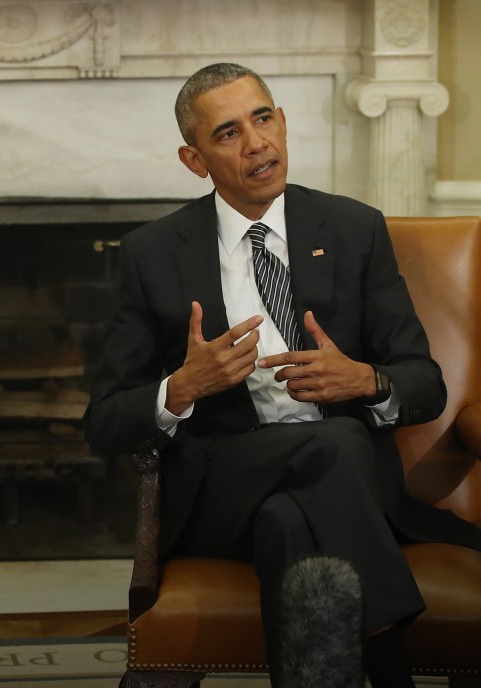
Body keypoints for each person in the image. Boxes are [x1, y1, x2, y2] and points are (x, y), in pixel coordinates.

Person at [84, 63, 481, 687]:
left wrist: (366, 382)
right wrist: (182, 389)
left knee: (289, 522)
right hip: (222, 488)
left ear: (284, 123)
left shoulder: (354, 229)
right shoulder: (153, 253)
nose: (256, 143)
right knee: (338, 439)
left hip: (343, 491)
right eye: (228, 133)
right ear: (194, 160)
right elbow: (104, 421)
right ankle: (390, 668)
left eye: (263, 118)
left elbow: (424, 383)